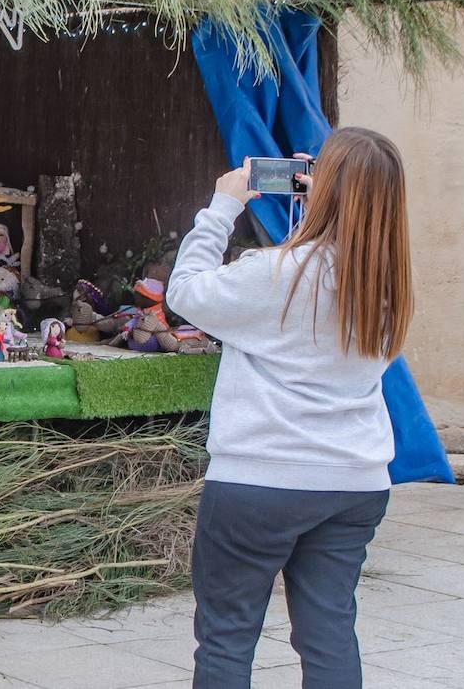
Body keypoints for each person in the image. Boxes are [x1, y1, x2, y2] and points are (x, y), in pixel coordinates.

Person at [166, 128, 413, 689]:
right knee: (329, 633)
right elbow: (324, 273)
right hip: (355, 482)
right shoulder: (390, 287)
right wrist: (314, 212)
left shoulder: (271, 274)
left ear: (323, 188)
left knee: (228, 636)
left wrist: (223, 205)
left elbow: (185, 291)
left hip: (260, 480)